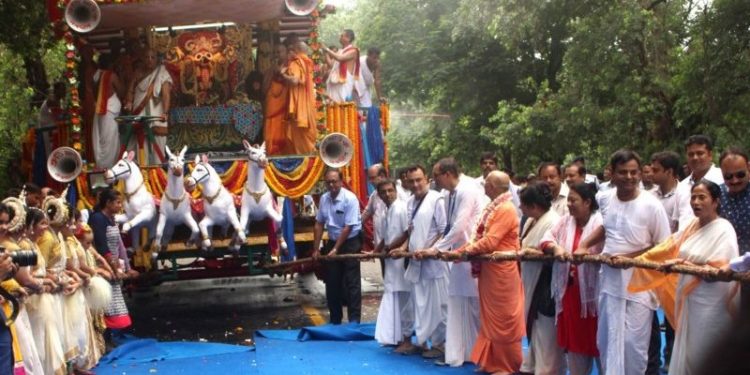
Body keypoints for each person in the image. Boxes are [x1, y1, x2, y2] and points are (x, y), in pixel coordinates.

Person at [629, 180, 739, 375]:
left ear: (715, 202)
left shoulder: (724, 229)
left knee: (705, 353)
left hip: (711, 304)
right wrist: (633, 259)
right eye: (693, 197)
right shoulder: (691, 226)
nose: (696, 202)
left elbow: (722, 268)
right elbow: (667, 247)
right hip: (689, 301)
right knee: (689, 352)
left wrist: (685, 266)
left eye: (702, 197)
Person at [577, 149, 671, 375]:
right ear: (613, 174)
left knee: (632, 345)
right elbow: (606, 227)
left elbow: (664, 246)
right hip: (610, 282)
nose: (629, 177)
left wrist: (630, 259)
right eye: (623, 172)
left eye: (633, 172)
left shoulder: (651, 205)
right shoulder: (606, 199)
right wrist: (584, 244)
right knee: (607, 340)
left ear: (640, 173)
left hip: (639, 286)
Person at [453, 171, 525, 375]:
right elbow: (480, 239)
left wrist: (464, 252)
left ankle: (507, 366)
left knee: (504, 318)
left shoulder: (506, 209)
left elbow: (491, 241)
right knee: (490, 318)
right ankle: (493, 363)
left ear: (492, 187)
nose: (483, 185)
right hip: (490, 272)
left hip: (502, 273)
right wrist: (460, 252)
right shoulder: (494, 207)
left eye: (486, 183)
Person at [416, 158, 485, 366]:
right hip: (455, 254)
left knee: (473, 304)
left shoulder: (468, 189)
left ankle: (478, 353)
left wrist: (435, 249)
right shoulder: (448, 194)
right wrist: (442, 249)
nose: (434, 180)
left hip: (470, 253)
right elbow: (449, 226)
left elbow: (459, 226)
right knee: (456, 301)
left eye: (436, 176)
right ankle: (458, 353)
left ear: (447, 174)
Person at [540, 182, 603, 375]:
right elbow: (546, 238)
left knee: (602, 344)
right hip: (571, 295)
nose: (569, 204)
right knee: (575, 345)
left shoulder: (602, 223)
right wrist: (556, 248)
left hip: (596, 298)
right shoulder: (566, 221)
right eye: (568, 199)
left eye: (573, 200)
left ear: (587, 202)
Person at [517, 182, 564, 375]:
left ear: (534, 206)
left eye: (523, 204)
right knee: (534, 327)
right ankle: (533, 366)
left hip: (546, 282)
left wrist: (531, 252)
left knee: (546, 329)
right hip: (530, 279)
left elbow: (553, 250)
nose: (520, 207)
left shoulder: (553, 221)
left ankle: (547, 370)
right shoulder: (530, 220)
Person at [403, 165, 448, 358]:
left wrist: (429, 250)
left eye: (418, 180)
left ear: (427, 179)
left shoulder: (437, 199)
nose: (415, 184)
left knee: (438, 305)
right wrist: (404, 248)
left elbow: (444, 230)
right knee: (420, 304)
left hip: (433, 263)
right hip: (416, 262)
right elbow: (411, 231)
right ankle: (424, 342)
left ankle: (441, 345)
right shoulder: (410, 202)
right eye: (411, 181)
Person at [312, 169, 363, 324]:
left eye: (335, 181)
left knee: (351, 281)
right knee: (332, 281)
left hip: (351, 240)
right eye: (328, 182)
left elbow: (348, 227)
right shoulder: (324, 199)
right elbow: (319, 223)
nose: (332, 185)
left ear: (341, 181)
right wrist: (315, 249)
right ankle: (335, 319)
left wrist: (336, 250)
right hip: (334, 240)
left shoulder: (350, 199)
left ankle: (354, 319)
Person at [88, 188, 135, 344]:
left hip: (112, 265)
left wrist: (126, 267)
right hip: (102, 265)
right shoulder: (97, 219)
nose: (120, 206)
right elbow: (102, 247)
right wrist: (112, 269)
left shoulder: (111, 219)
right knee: (104, 305)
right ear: (107, 203)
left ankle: (110, 339)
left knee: (112, 304)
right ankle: (103, 340)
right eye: (117, 202)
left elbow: (119, 246)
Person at [24, 207, 67, 375]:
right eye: (42, 223)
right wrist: (48, 282)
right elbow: (27, 276)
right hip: (35, 300)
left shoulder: (32, 244)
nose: (45, 227)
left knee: (49, 338)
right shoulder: (25, 245)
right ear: (31, 225)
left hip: (44, 295)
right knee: (39, 341)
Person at [373, 179, 413, 349]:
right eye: (384, 192)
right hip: (390, 260)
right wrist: (376, 251)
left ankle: (406, 339)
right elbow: (385, 236)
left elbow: (407, 232)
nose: (387, 194)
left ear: (395, 190)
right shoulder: (385, 212)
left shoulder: (401, 208)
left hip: (400, 260)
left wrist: (391, 248)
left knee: (404, 298)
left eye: (390, 190)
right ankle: (395, 337)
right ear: (379, 195)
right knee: (393, 295)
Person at [124, 48, 173, 165]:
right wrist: (129, 102)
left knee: (158, 151)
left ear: (157, 59)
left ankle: (158, 176)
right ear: (143, 59)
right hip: (139, 114)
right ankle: (143, 176)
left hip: (157, 116)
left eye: (152, 57)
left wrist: (165, 112)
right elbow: (130, 90)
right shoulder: (137, 73)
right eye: (147, 57)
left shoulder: (162, 73)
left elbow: (166, 95)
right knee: (141, 150)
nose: (149, 60)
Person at [717, 147, 750, 314]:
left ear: (749, 167)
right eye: (728, 176)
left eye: (740, 174)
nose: (735, 180)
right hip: (723, 278)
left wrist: (741, 264)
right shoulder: (717, 194)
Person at [280, 40, 318, 155]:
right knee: (308, 133)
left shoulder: (296, 63)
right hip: (308, 105)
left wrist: (283, 74)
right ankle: (310, 157)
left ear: (295, 51)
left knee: (299, 133)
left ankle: (304, 160)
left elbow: (295, 81)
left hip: (299, 107)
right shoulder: (308, 63)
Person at [92, 54, 124, 169]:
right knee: (109, 141)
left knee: (102, 140)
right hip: (108, 111)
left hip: (101, 111)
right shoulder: (111, 75)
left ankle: (102, 166)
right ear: (111, 64)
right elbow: (121, 91)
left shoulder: (96, 75)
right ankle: (108, 167)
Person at [263, 42, 291, 156]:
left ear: (286, 53)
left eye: (279, 52)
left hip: (284, 104)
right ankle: (271, 152)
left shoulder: (290, 67)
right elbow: (264, 88)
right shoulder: (271, 68)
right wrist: (272, 71)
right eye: (275, 52)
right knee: (271, 125)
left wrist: (282, 74)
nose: (277, 55)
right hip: (272, 103)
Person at [323, 30, 361, 103]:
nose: (340, 37)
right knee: (332, 106)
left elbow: (340, 58)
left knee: (342, 107)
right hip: (335, 83)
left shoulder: (354, 51)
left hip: (344, 83)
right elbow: (331, 64)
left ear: (348, 38)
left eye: (342, 36)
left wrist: (327, 49)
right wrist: (326, 53)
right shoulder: (340, 51)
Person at [361, 164, 388, 251]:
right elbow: (366, 213)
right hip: (380, 245)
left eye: (373, 178)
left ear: (382, 176)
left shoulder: (398, 194)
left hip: (396, 246)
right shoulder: (374, 195)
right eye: (369, 178)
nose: (370, 181)